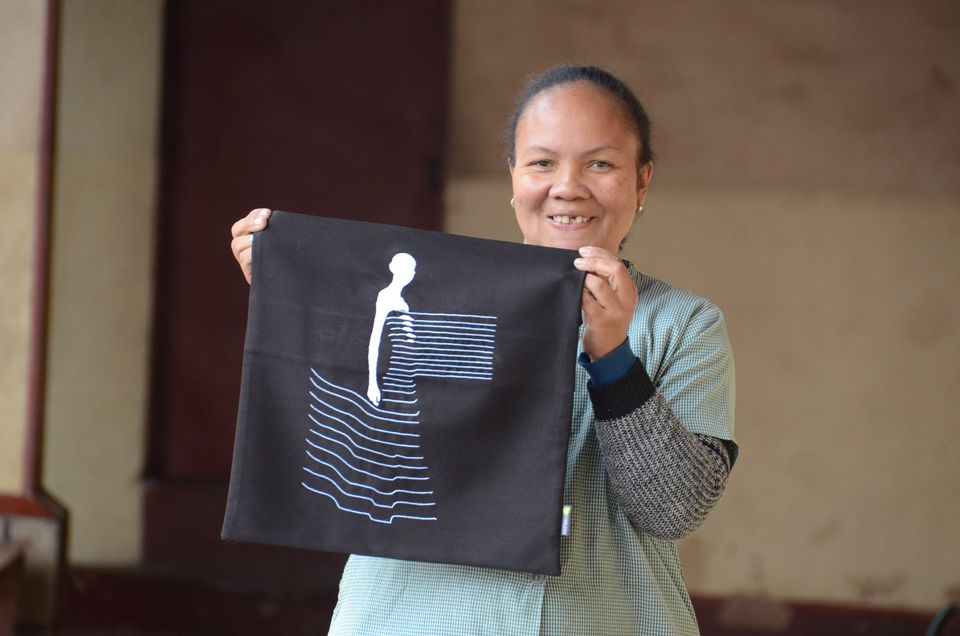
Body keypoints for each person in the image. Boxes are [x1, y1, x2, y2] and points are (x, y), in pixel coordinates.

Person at [230, 65, 737, 635]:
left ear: (642, 182)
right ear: (513, 177)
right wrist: (293, 292)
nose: (568, 186)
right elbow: (354, 414)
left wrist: (612, 354)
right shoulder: (427, 297)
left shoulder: (683, 324)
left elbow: (673, 511)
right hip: (408, 617)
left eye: (600, 164)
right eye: (542, 163)